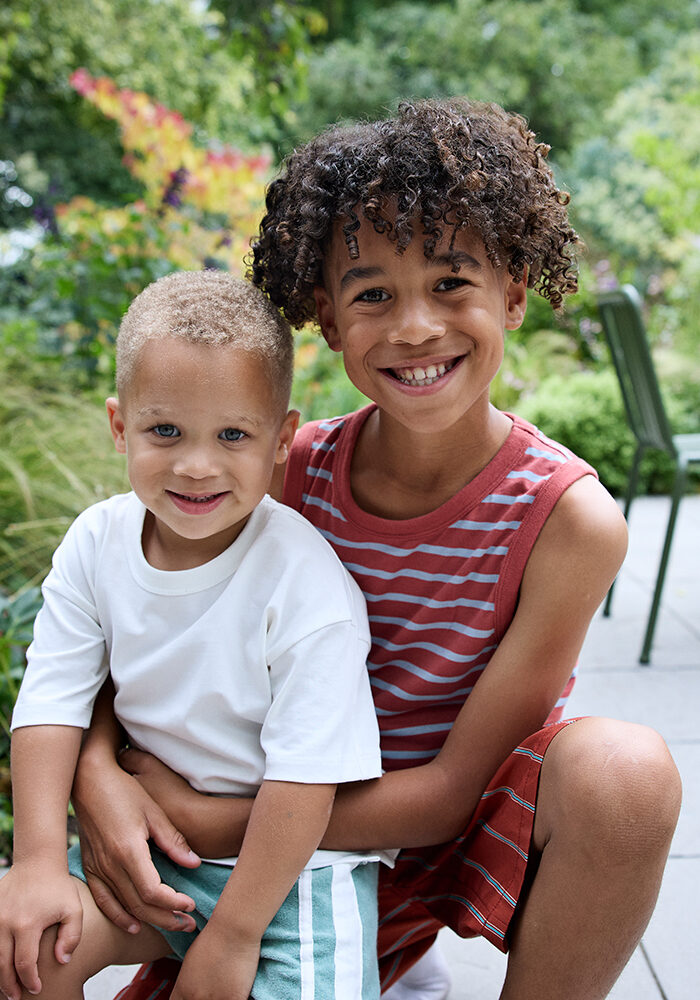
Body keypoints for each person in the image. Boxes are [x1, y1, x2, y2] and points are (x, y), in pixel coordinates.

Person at [73, 99, 681, 1000]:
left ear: (513, 291)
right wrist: (99, 777)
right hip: (277, 849)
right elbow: (131, 634)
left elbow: (445, 792)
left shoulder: (566, 520)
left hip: (427, 835)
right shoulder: (289, 470)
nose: (414, 327)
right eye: (372, 294)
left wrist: (205, 817)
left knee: (625, 775)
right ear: (325, 315)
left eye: (451, 283)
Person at [0, 270, 391, 1000]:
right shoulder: (96, 542)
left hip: (288, 875)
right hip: (145, 854)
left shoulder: (303, 581)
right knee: (21, 948)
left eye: (233, 435)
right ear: (120, 426)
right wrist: (38, 864)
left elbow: (304, 781)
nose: (197, 465)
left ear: (281, 440)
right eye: (165, 430)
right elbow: (51, 700)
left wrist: (235, 938)